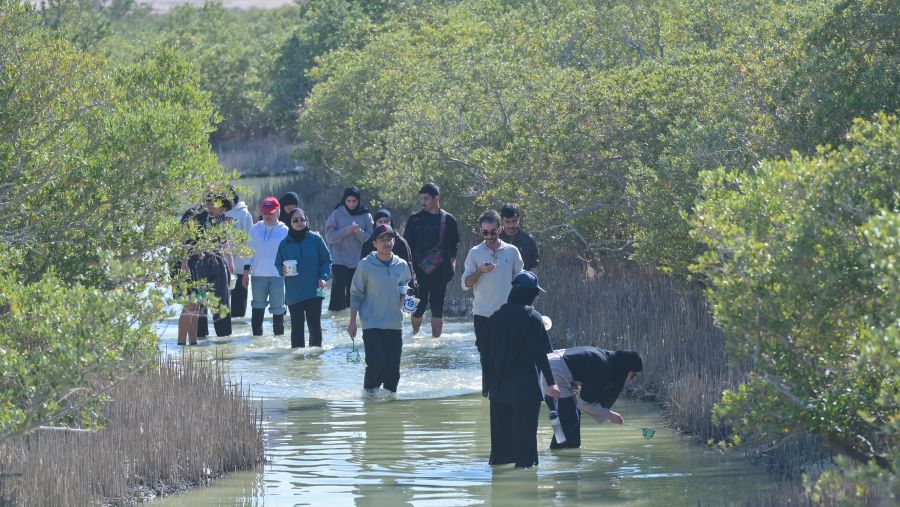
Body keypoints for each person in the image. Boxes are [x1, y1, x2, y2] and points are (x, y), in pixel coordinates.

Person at [483, 271, 560, 468]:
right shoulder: (533, 318)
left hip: (499, 389)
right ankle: (525, 475)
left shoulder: (495, 318)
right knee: (525, 443)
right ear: (529, 293)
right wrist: (552, 383)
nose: (536, 297)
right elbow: (541, 356)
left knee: (501, 444)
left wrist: (488, 386)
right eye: (535, 293)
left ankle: (499, 479)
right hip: (526, 389)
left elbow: (486, 354)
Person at [462, 210, 524, 395]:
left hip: (508, 314)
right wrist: (480, 271)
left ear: (500, 229)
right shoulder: (474, 253)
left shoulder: (512, 251)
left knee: (508, 357)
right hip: (483, 315)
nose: (489, 236)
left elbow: (522, 280)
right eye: (485, 232)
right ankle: (488, 395)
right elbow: (465, 284)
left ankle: (505, 394)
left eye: (493, 232)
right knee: (487, 358)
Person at [348, 224, 412, 395]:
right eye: (382, 239)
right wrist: (352, 321)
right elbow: (355, 293)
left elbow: (407, 286)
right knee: (376, 363)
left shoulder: (402, 265)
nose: (387, 243)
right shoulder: (365, 265)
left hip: (395, 323)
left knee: (393, 370)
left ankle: (390, 403)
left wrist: (405, 296)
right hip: (372, 323)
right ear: (374, 243)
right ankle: (369, 398)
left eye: (390, 239)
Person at [542, 347, 643, 449]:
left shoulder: (605, 359)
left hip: (551, 365)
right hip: (551, 371)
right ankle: (557, 454)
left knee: (572, 417)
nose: (631, 381)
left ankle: (570, 452)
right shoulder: (603, 368)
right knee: (569, 420)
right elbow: (585, 403)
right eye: (633, 376)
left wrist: (573, 381)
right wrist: (609, 415)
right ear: (625, 369)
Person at [176, 193, 235, 345]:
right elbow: (182, 240)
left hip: (195, 263)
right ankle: (181, 345)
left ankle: (193, 343)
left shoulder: (208, 216)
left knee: (197, 304)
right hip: (185, 264)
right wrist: (184, 264)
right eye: (222, 208)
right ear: (215, 203)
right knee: (189, 304)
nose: (222, 212)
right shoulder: (194, 213)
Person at [403, 182, 460, 337]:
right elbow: (406, 246)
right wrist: (408, 272)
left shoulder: (449, 220)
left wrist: (453, 264)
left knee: (437, 309)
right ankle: (415, 336)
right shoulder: (414, 219)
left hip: (441, 271)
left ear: (436, 198)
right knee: (417, 308)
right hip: (418, 272)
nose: (423, 202)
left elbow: (454, 245)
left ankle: (436, 341)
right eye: (421, 198)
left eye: (426, 198)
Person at [276, 208, 332, 348]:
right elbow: (278, 264)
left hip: (316, 290)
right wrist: (282, 270)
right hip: (294, 293)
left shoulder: (316, 239)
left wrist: (323, 277)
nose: (299, 222)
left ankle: (315, 358)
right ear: (289, 223)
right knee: (297, 329)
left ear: (307, 220)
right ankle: (297, 359)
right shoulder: (284, 244)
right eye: (295, 220)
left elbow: (327, 261)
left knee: (315, 327)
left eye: (302, 219)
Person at [243, 196, 289, 336]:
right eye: (265, 212)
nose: (267, 215)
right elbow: (248, 252)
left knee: (278, 311)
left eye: (271, 212)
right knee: (257, 309)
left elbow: (288, 253)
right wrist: (245, 273)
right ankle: (257, 341)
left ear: (278, 211)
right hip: (258, 276)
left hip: (278, 276)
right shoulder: (255, 229)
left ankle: (278, 342)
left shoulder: (284, 230)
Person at [325, 187, 373, 311]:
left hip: (357, 258)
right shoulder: (337, 214)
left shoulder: (366, 215)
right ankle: (336, 316)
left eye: (354, 201)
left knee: (354, 290)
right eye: (348, 201)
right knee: (338, 288)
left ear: (359, 200)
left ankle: (351, 316)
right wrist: (346, 230)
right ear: (344, 200)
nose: (351, 204)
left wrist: (358, 232)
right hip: (339, 257)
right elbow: (329, 237)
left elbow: (371, 239)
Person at [360, 208, 417, 292]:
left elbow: (408, 268)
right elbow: (362, 271)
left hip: (397, 288)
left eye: (386, 221)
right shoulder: (369, 244)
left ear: (391, 223)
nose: (383, 224)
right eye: (380, 221)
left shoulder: (401, 243)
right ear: (375, 224)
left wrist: (411, 289)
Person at [225, 185, 254, 319]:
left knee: (238, 307)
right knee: (222, 306)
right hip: (223, 266)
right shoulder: (220, 212)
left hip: (240, 266)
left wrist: (248, 265)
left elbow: (250, 240)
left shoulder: (244, 214)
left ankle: (239, 329)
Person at [499, 203, 540, 271]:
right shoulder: (495, 238)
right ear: (501, 220)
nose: (511, 225)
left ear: (519, 218)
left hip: (523, 277)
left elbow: (534, 266)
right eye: (507, 221)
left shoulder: (528, 240)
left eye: (514, 221)